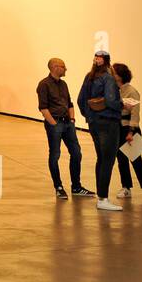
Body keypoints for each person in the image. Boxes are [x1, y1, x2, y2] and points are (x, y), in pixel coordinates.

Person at [37, 58, 92, 199]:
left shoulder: (64, 84)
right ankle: (58, 187)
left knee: (76, 153)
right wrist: (53, 123)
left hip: (68, 124)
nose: (65, 69)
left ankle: (76, 186)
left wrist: (72, 120)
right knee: (55, 155)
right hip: (55, 124)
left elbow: (70, 103)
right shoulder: (44, 85)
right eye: (63, 66)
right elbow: (43, 108)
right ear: (55, 67)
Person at [77, 50, 123, 212]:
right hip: (109, 123)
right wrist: (123, 105)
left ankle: (101, 196)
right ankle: (103, 198)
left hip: (94, 124)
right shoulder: (108, 78)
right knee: (108, 160)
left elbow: (80, 100)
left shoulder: (89, 77)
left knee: (101, 159)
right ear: (108, 62)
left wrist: (89, 116)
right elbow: (111, 101)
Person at [113, 63, 142, 201]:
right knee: (121, 160)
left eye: (113, 73)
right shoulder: (115, 90)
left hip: (129, 129)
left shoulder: (132, 91)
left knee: (136, 159)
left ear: (119, 76)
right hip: (118, 129)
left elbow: (135, 114)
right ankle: (126, 187)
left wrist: (131, 132)